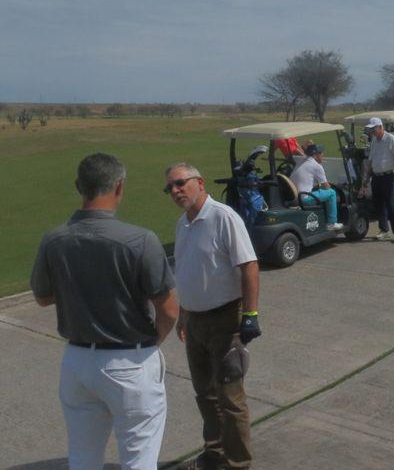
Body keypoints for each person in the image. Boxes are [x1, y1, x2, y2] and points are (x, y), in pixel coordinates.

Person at [30, 153, 178, 470]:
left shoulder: (53, 240)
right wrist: (155, 340)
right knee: (139, 459)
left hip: (77, 362)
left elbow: (42, 297)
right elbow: (168, 307)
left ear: (79, 186)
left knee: (83, 458)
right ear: (119, 187)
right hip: (130, 361)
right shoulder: (140, 239)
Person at [167, 162, 261, 470]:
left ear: (200, 182)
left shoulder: (223, 217)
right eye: (170, 187)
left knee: (230, 398)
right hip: (194, 321)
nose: (175, 191)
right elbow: (187, 272)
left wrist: (250, 314)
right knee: (205, 394)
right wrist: (183, 314)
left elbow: (249, 265)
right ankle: (214, 452)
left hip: (224, 321)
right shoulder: (183, 224)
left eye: (180, 183)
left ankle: (238, 464)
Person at [358, 117, 394, 243]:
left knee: (390, 204)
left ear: (380, 127)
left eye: (373, 129)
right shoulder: (374, 141)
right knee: (378, 204)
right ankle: (384, 230)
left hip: (388, 175)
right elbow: (371, 161)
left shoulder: (391, 138)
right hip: (376, 176)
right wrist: (366, 179)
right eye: (371, 129)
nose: (372, 131)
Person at [290, 143, 343, 231]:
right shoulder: (316, 166)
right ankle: (331, 223)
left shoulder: (300, 162)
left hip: (293, 197)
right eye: (321, 153)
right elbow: (326, 187)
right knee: (332, 193)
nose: (323, 155)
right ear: (315, 155)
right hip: (304, 199)